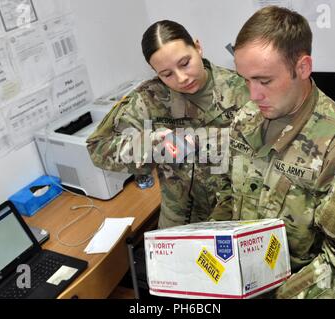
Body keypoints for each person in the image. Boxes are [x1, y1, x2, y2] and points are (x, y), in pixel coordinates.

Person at [210, 6, 335, 298]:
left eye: (264, 81)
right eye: (246, 79)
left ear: (302, 68)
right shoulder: (246, 119)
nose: (253, 95)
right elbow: (229, 195)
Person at [86, 20, 249, 229]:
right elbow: (98, 148)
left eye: (185, 63)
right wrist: (155, 145)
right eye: (167, 74)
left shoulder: (243, 87)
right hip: (182, 222)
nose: (181, 78)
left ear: (198, 47)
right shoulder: (150, 99)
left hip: (238, 217)